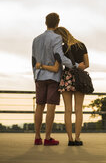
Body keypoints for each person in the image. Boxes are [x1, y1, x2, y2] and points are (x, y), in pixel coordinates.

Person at [32, 13, 84, 146]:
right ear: (57, 22)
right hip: (53, 77)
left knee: (39, 106)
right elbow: (60, 58)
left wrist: (35, 76)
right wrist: (77, 65)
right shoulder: (57, 38)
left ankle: (37, 137)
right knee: (51, 107)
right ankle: (47, 138)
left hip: (39, 76)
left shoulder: (36, 39)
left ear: (45, 22)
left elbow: (33, 60)